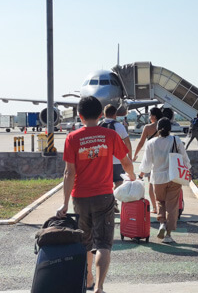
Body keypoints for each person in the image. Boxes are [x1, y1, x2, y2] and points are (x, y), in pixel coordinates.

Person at [57, 96, 136, 293]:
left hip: (80, 198)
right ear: (101, 115)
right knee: (103, 244)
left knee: (85, 241)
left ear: (79, 115)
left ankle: (88, 278)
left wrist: (64, 203)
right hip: (104, 196)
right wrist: (132, 177)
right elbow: (125, 161)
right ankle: (99, 287)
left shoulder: (72, 138)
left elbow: (69, 173)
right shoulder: (110, 136)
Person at [139, 117, 190, 244]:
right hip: (174, 177)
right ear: (170, 128)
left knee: (160, 202)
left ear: (157, 129)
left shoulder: (151, 143)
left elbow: (146, 164)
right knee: (172, 206)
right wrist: (188, 170)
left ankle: (162, 223)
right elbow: (184, 159)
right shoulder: (176, 140)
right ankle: (168, 234)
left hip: (158, 178)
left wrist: (140, 175)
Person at [101, 104, 132, 212]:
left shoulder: (99, 126)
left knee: (106, 183)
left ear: (104, 114)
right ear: (115, 114)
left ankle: (109, 203)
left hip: (104, 162)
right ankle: (114, 201)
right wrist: (130, 157)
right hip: (119, 161)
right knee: (119, 181)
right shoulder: (119, 126)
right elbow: (127, 142)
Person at [132, 107, 163, 208]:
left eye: (150, 115)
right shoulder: (163, 126)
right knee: (162, 183)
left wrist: (135, 154)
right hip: (163, 157)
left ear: (154, 116)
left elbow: (141, 143)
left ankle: (155, 207)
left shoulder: (147, 127)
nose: (149, 117)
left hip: (151, 157)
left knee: (151, 183)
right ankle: (162, 206)